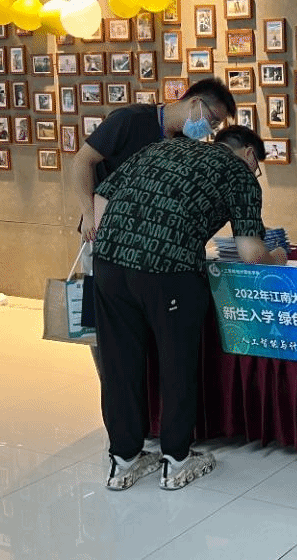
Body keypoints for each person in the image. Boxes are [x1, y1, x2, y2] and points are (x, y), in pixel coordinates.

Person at [92, 125, 286, 491]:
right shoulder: (239, 173)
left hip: (108, 263)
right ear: (249, 153)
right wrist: (277, 257)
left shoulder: (160, 149)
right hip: (170, 273)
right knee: (176, 362)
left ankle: (123, 459)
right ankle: (177, 460)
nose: (255, 171)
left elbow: (101, 199)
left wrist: (126, 243)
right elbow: (251, 253)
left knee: (119, 362)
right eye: (257, 165)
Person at [70, 77, 237, 379]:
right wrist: (88, 213)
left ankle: (144, 396)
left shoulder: (183, 142)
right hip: (106, 237)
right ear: (195, 103)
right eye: (212, 120)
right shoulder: (130, 120)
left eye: (216, 127)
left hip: (151, 249)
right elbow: (82, 161)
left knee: (144, 326)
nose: (210, 130)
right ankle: (112, 388)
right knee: (105, 326)